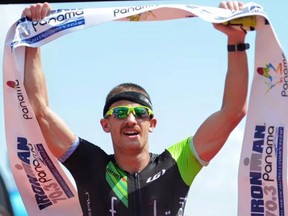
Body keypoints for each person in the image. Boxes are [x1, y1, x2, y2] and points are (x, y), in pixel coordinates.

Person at [23, 1, 248, 215]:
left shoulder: (178, 163)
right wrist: (35, 40)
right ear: (105, 124)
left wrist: (236, 40)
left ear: (152, 123)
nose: (131, 120)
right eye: (120, 113)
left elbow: (233, 111)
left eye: (140, 113)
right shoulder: (89, 164)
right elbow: (39, 111)